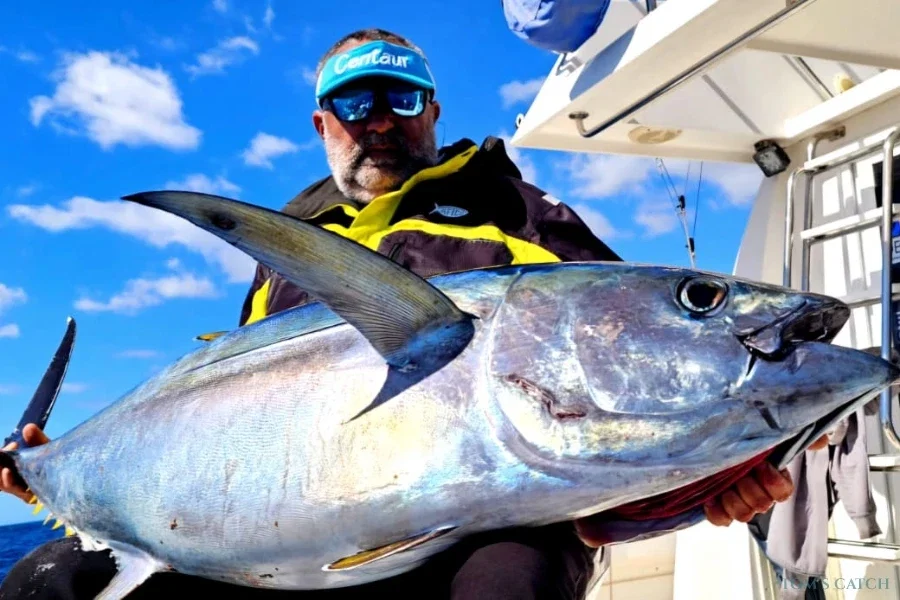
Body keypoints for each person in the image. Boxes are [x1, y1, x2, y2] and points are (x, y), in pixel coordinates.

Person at [0, 27, 825, 600]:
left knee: (508, 583)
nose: (380, 121)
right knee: (48, 584)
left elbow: (609, 397)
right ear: (323, 124)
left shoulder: (524, 217)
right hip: (295, 549)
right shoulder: (278, 260)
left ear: (432, 109)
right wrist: (46, 470)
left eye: (400, 97)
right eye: (355, 103)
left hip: (484, 531)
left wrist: (702, 483)